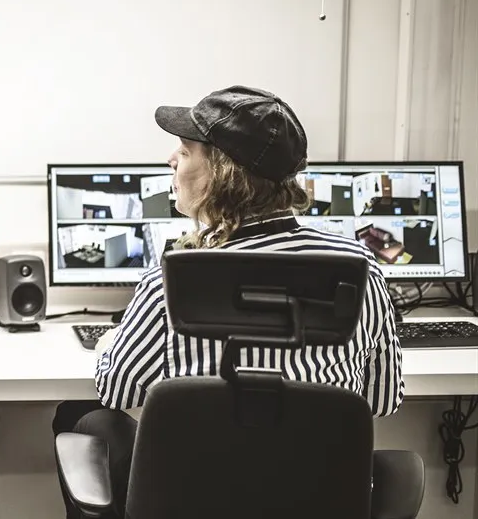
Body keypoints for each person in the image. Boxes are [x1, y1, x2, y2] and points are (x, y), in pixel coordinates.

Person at [53, 85, 403, 518]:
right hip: (311, 500)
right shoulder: (359, 267)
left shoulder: (175, 276)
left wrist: (110, 346)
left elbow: (118, 388)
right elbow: (382, 398)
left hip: (193, 501)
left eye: (184, 151)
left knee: (83, 417)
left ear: (221, 172)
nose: (171, 161)